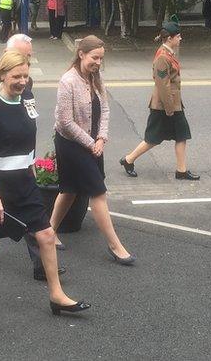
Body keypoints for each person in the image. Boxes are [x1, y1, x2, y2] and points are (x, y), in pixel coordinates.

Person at [0, 50, 89, 317]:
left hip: (23, 182)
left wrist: (31, 167)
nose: (22, 81)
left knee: (47, 235)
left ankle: (56, 295)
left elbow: (29, 134)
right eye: (16, 76)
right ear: (2, 75)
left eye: (26, 76)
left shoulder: (26, 97)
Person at [0, 34, 64, 279]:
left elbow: (28, 123)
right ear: (5, 66)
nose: (24, 77)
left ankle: (42, 269)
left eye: (28, 59)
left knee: (42, 230)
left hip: (21, 170)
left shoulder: (26, 85)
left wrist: (31, 162)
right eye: (21, 60)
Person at [50, 35, 135, 265]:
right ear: (81, 54)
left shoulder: (96, 78)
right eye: (94, 58)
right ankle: (115, 246)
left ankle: (48, 232)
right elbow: (65, 122)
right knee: (97, 191)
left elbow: (105, 109)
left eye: (101, 58)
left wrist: (101, 137)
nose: (98, 63)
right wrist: (91, 143)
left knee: (69, 190)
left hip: (93, 143)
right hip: (71, 144)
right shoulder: (67, 81)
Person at [120, 21, 200, 181]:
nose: (180, 39)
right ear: (169, 38)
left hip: (172, 104)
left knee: (181, 135)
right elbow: (163, 85)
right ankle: (128, 159)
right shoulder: (163, 57)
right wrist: (170, 109)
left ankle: (181, 171)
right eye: (178, 36)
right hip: (164, 105)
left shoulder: (168, 53)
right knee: (153, 138)